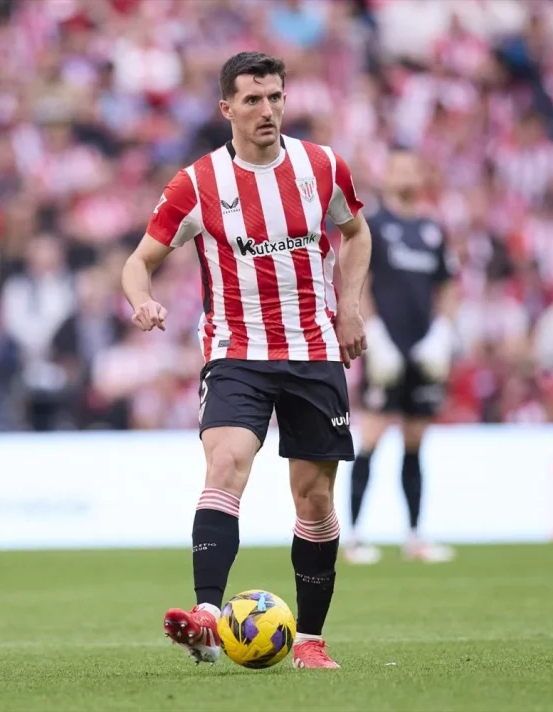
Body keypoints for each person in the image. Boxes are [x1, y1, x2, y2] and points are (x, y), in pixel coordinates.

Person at [121, 51, 371, 669]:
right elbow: (138, 262)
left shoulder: (322, 166)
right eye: (253, 100)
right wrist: (142, 300)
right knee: (226, 463)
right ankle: (207, 618)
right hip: (236, 352)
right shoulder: (197, 183)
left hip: (313, 351)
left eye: (275, 97)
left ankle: (310, 641)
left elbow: (356, 233)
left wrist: (349, 307)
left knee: (314, 500)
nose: (267, 110)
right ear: (226, 107)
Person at [346, 147, 459, 565]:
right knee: (372, 436)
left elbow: (448, 285)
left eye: (413, 168)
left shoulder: (432, 229)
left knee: (415, 441)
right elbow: (359, 279)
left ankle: (414, 535)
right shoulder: (374, 226)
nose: (407, 175)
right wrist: (373, 331)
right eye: (399, 168)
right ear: (387, 176)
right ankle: (353, 536)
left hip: (422, 348)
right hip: (386, 348)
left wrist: (442, 332)